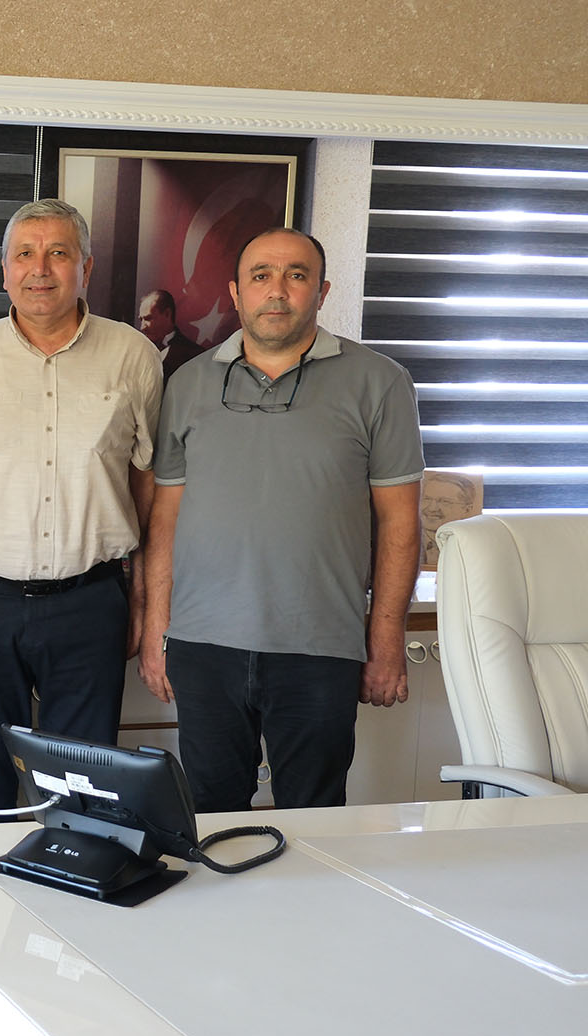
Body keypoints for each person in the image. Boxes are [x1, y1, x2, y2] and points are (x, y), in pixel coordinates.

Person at [140, 227, 423, 811]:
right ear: (235, 293)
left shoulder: (380, 382)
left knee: (315, 816)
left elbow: (401, 523)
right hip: (202, 645)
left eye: (296, 275)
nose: (277, 290)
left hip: (320, 646)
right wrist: (154, 630)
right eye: (260, 275)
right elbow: (166, 518)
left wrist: (386, 638)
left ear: (322, 291)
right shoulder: (187, 383)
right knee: (212, 817)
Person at [0, 198, 162, 818]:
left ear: (85, 268)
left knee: (83, 795)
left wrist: (142, 602)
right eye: (25, 255)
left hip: (91, 603)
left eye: (58, 253)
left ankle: (72, 884)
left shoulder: (134, 355)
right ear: (4, 270)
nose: (40, 269)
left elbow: (146, 481)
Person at [136, 288, 205, 379]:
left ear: (167, 314)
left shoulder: (195, 355)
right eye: (141, 319)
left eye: (148, 318)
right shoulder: (137, 352)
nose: (142, 327)